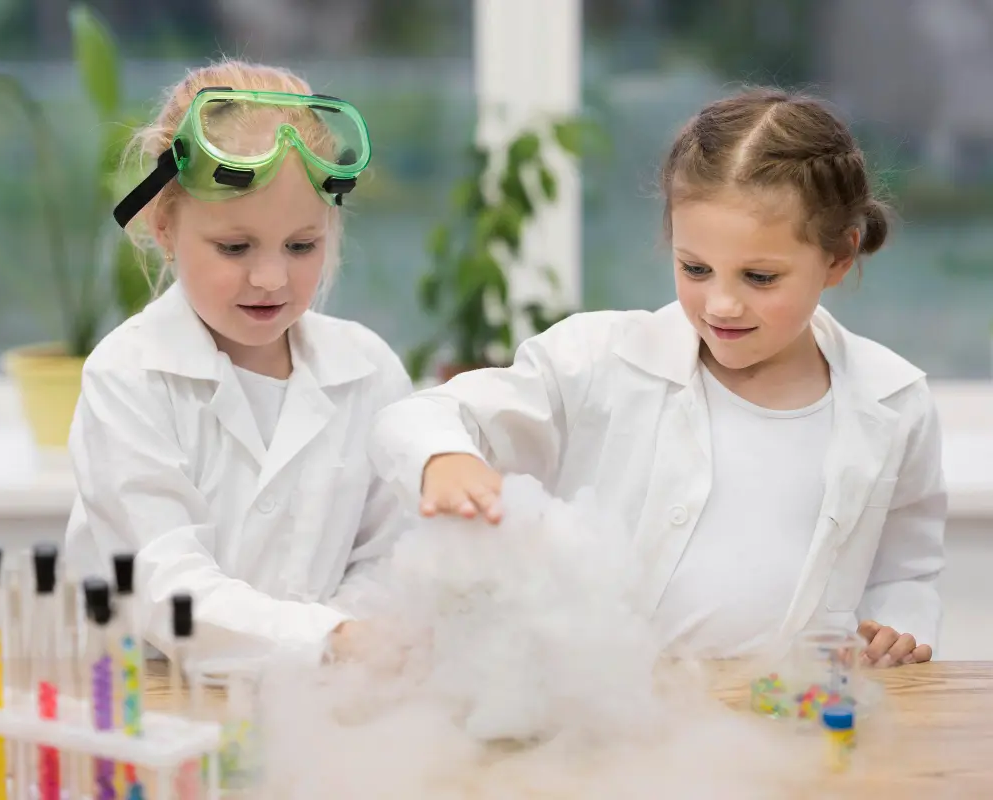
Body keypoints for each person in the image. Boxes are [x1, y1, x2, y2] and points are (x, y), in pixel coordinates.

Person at [369, 87, 946, 667]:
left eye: (760, 277)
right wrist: (443, 458)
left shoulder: (894, 402)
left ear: (840, 258)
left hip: (790, 727)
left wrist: (897, 628)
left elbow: (906, 570)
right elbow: (416, 416)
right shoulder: (594, 359)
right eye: (695, 268)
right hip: (617, 724)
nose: (721, 304)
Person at [65, 59, 412, 665]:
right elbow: (167, 588)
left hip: (320, 706)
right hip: (146, 705)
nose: (271, 277)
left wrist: (349, 637)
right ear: (164, 227)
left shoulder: (371, 373)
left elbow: (390, 557)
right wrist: (327, 640)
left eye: (302, 245)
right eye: (234, 247)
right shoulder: (127, 378)